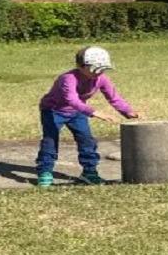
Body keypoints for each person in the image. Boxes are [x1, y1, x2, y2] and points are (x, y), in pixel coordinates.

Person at [35, 45, 143, 187]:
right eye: (95, 69)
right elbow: (71, 100)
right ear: (81, 66)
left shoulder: (101, 79)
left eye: (103, 69)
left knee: (87, 140)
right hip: (53, 111)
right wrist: (94, 112)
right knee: (50, 140)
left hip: (77, 112)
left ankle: (89, 172)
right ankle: (45, 171)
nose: (99, 73)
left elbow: (114, 98)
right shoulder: (68, 78)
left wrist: (128, 111)